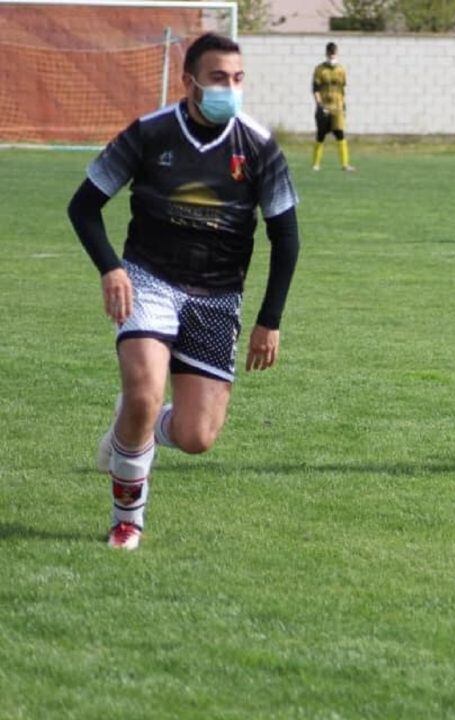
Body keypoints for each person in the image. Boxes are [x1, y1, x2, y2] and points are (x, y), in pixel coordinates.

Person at [67, 32, 301, 549]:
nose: (230, 89)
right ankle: (127, 520)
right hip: (149, 280)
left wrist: (270, 319)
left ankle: (131, 424)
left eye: (238, 79)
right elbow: (83, 206)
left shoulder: (258, 145)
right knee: (145, 391)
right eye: (219, 78)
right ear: (189, 81)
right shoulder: (150, 133)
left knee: (197, 438)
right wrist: (112, 268)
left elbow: (286, 236)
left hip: (218, 297)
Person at [311, 41, 355, 172]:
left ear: (337, 53)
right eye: (330, 53)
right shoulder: (320, 69)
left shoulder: (341, 70)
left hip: (338, 107)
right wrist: (319, 105)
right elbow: (315, 88)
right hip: (324, 106)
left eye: (333, 53)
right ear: (326, 53)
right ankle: (315, 164)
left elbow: (342, 89)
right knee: (321, 134)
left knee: (340, 133)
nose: (332, 56)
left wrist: (343, 105)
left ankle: (345, 164)